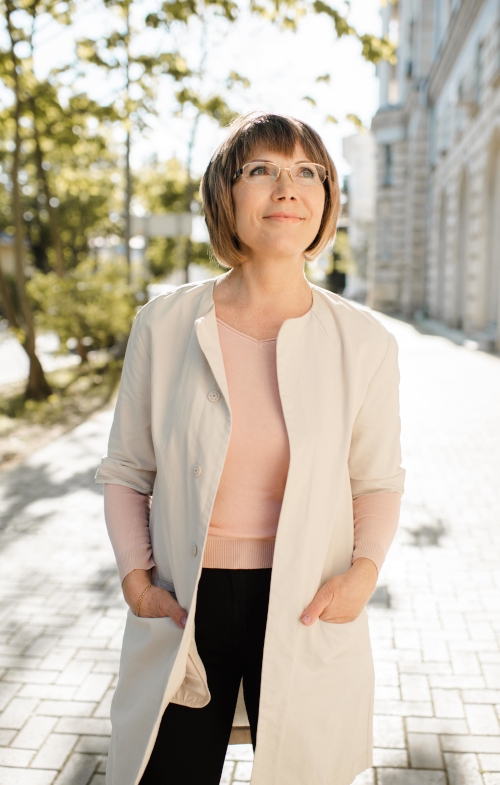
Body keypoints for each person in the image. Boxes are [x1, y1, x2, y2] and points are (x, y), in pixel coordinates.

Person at [95, 111, 405, 785]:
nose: (286, 187)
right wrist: (136, 580)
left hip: (307, 602)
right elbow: (126, 469)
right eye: (260, 169)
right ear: (225, 196)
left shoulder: (366, 342)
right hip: (185, 601)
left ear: (325, 200)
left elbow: (377, 480)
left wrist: (363, 575)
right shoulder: (167, 323)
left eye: (306, 172)